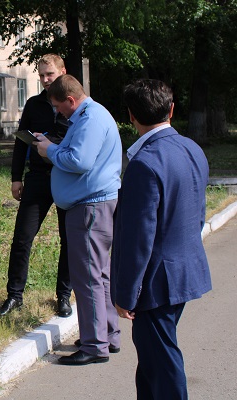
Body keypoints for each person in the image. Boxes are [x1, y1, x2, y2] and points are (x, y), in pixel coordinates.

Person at [111, 79, 211, 398]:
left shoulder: (144, 163)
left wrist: (126, 294)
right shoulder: (192, 149)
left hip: (155, 284)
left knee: (163, 364)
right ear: (171, 109)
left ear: (131, 116)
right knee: (152, 362)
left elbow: (138, 240)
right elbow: (197, 214)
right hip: (182, 271)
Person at [35, 74, 122, 365]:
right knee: (100, 275)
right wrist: (53, 146)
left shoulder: (90, 118)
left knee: (87, 278)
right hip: (94, 205)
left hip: (89, 208)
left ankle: (95, 345)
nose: (58, 112)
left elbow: (79, 161)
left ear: (71, 100)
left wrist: (49, 150)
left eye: (59, 106)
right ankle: (106, 335)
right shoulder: (90, 115)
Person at [0, 54, 73, 318]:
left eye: (50, 74)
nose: (45, 79)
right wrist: (16, 177)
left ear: (62, 71)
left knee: (68, 239)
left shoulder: (74, 104)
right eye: (41, 75)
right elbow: (21, 142)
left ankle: (64, 296)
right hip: (38, 178)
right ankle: (14, 296)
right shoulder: (34, 104)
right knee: (22, 237)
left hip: (66, 178)